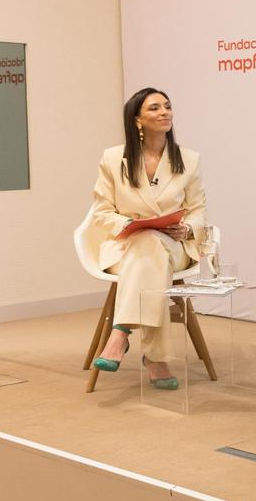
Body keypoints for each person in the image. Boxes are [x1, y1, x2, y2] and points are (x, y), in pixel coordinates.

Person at [88, 88, 208, 391]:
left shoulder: (189, 160)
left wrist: (188, 230)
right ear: (137, 120)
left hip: (174, 247)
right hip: (127, 246)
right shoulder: (114, 158)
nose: (164, 112)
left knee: (153, 243)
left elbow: (198, 212)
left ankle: (120, 333)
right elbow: (101, 211)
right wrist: (130, 223)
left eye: (167, 106)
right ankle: (156, 358)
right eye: (154, 108)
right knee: (147, 244)